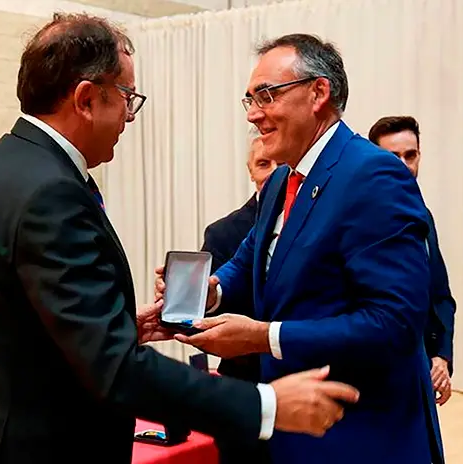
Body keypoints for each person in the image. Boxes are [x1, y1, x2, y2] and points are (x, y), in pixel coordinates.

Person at [0, 15, 359, 464]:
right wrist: (267, 405)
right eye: (126, 98)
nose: (129, 116)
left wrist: (113, 328)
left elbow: (28, 326)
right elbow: (116, 371)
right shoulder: (51, 193)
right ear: (85, 99)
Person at [155, 34, 444, 463]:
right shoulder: (280, 180)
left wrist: (262, 337)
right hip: (295, 431)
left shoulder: (374, 174)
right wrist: (210, 290)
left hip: (361, 435)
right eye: (249, 99)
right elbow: (252, 257)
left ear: (318, 93)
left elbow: (395, 322)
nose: (253, 114)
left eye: (266, 96)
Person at [368, 115, 457, 405]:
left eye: (411, 155)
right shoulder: (355, 220)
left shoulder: (423, 216)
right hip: (376, 377)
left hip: (421, 372)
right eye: (392, 157)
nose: (404, 165)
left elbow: (440, 296)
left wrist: (441, 357)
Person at [200, 128, 276, 464]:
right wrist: (203, 297)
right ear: (250, 170)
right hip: (244, 388)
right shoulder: (224, 232)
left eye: (279, 164)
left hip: (302, 378)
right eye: (263, 163)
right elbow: (207, 308)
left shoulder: (316, 219)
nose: (272, 172)